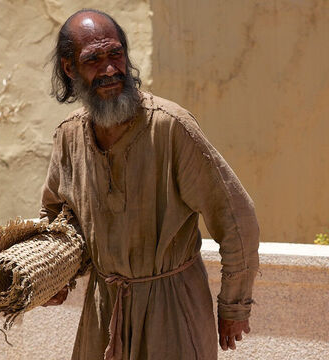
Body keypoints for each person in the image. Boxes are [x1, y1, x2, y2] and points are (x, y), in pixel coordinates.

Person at [40, 8, 260, 360]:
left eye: (116, 53)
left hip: (174, 311)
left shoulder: (171, 128)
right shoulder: (69, 136)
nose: (110, 69)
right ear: (70, 69)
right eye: (93, 59)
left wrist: (235, 306)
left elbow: (237, 220)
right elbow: (56, 216)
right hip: (103, 314)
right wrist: (54, 277)